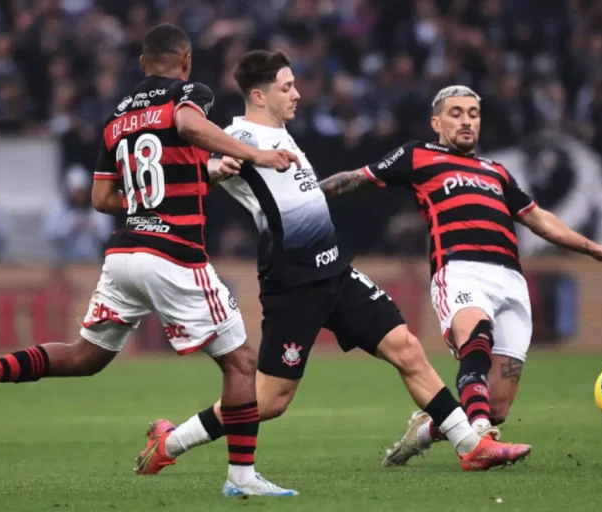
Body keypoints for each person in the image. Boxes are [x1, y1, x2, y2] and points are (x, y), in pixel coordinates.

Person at [0, 24, 301, 498]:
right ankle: (242, 480)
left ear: (143, 64)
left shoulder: (116, 116)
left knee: (86, 356)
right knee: (241, 364)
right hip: (174, 255)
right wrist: (257, 154)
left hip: (124, 254)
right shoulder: (190, 92)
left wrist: (197, 175)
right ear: (184, 61)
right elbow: (188, 125)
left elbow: (103, 197)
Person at [134, 51, 532, 476]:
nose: (297, 94)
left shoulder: (281, 133)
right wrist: (216, 167)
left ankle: (471, 446)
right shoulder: (238, 138)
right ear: (259, 95)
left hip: (336, 270)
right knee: (270, 401)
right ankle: (171, 441)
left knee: (407, 349)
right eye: (286, 87)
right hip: (294, 282)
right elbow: (195, 171)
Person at [317, 85, 602, 466]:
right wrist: (302, 200)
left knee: (497, 402)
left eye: (473, 113)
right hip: (460, 269)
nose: (466, 120)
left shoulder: (496, 172)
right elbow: (357, 178)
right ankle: (480, 439)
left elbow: (538, 218)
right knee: (476, 340)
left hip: (511, 281)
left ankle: (428, 429)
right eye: (456, 113)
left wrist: (593, 247)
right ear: (437, 122)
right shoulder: (418, 155)